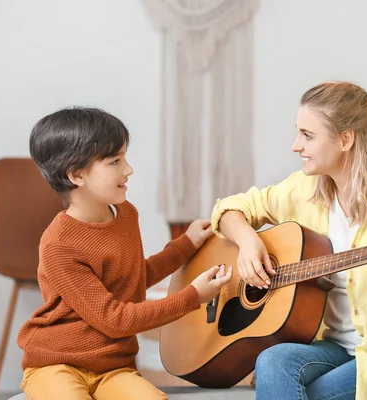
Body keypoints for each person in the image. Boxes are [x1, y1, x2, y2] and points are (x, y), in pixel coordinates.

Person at [210, 81, 367, 400]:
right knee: (272, 362)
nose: (295, 145)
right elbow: (228, 209)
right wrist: (248, 242)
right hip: (334, 347)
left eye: (307, 135)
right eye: (298, 133)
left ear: (345, 139)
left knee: (306, 393)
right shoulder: (304, 189)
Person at [17, 107, 232, 400]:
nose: (128, 169)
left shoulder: (125, 215)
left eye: (125, 157)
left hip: (113, 367)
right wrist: (193, 296)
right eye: (115, 161)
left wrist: (186, 244)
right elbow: (116, 320)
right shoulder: (59, 246)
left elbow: (133, 278)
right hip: (57, 362)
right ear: (77, 174)